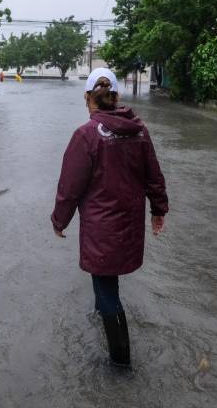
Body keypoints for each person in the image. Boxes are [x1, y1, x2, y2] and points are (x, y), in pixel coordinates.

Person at [51, 67, 169, 367]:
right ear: (117, 97)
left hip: (100, 227)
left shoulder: (86, 135)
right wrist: (158, 210)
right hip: (129, 226)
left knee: (105, 286)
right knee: (108, 280)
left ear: (88, 97)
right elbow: (154, 176)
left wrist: (59, 220)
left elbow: (70, 186)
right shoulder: (139, 130)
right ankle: (99, 314)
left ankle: (121, 363)